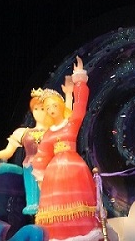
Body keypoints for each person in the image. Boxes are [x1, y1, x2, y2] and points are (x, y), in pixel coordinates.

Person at [32, 57, 103, 241]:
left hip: (74, 171)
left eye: (54, 105)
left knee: (78, 205)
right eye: (47, 107)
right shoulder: (48, 134)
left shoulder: (70, 124)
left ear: (61, 105)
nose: (51, 109)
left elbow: (80, 106)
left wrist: (79, 79)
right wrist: (40, 177)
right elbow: (41, 156)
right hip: (54, 176)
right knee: (57, 207)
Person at [0, 89, 52, 215]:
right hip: (30, 167)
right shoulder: (23, 132)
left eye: (42, 109)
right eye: (36, 109)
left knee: (50, 201)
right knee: (34, 202)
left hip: (49, 167)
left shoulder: (54, 130)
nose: (38, 112)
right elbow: (8, 151)